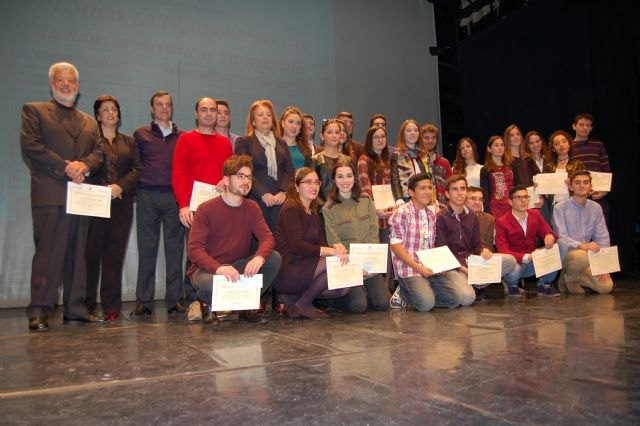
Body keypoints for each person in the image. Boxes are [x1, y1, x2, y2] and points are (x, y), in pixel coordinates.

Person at [20, 62, 104, 331]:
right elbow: (32, 146)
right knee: (49, 255)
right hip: (52, 194)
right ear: (52, 84)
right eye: (60, 80)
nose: (66, 84)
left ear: (78, 87)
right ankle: (39, 311)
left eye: (71, 81)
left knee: (78, 255)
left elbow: (99, 153)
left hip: (81, 196)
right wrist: (67, 166)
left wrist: (85, 165)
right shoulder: (34, 111)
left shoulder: (90, 122)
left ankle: (76, 309)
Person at [188, 155, 282, 325]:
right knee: (211, 285)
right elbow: (194, 250)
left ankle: (245, 306)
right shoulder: (206, 209)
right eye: (240, 176)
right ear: (225, 180)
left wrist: (259, 257)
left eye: (248, 177)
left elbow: (267, 237)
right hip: (208, 270)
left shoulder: (252, 207)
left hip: (237, 267)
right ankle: (207, 305)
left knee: (273, 258)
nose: (246, 181)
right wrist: (219, 269)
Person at [273, 167, 367, 319]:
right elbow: (297, 246)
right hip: (289, 271)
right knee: (333, 261)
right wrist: (331, 252)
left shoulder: (314, 212)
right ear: (296, 187)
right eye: (308, 182)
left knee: (343, 287)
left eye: (317, 182)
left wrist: (336, 248)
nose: (314, 186)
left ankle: (296, 300)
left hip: (308, 267)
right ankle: (303, 303)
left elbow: (322, 243)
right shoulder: (291, 208)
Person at [85, 95, 142, 321]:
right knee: (89, 256)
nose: (110, 113)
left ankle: (111, 306)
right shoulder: (89, 140)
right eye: (105, 110)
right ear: (97, 115)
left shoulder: (129, 142)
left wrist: (121, 186)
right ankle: (86, 305)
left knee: (114, 255)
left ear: (118, 115)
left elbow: (138, 169)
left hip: (120, 204)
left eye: (114, 110)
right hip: (93, 203)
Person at [172, 97, 233, 306]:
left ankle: (218, 300)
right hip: (194, 209)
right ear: (196, 114)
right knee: (195, 255)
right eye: (204, 110)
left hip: (221, 208)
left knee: (219, 252)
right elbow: (178, 173)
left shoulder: (225, 143)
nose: (209, 114)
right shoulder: (186, 140)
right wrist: (183, 205)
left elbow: (230, 173)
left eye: (213, 110)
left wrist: (225, 181)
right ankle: (194, 303)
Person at [388, 173, 475, 312]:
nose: (427, 191)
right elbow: (395, 247)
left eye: (430, 187)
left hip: (430, 267)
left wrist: (441, 265)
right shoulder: (402, 212)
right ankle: (403, 293)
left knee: (455, 299)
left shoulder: (431, 214)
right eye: (422, 188)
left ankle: (421, 291)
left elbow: (433, 245)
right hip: (410, 268)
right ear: (411, 192)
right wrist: (419, 267)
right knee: (425, 305)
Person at [133, 90, 185, 316]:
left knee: (175, 249)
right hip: (147, 196)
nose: (164, 108)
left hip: (173, 197)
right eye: (159, 105)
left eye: (168, 105)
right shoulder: (140, 134)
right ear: (152, 109)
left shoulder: (182, 136)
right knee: (147, 249)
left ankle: (174, 300)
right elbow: (134, 166)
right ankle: (144, 300)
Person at [323, 159, 389, 311]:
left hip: (368, 263)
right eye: (340, 177)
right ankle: (329, 301)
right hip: (347, 263)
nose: (345, 181)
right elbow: (334, 242)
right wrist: (355, 266)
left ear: (355, 178)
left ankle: (363, 292)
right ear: (334, 180)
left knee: (383, 304)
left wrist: (370, 263)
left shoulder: (366, 200)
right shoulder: (329, 208)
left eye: (349, 176)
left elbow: (374, 232)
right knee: (358, 306)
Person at [435, 175, 516, 299]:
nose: (460, 193)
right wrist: (465, 270)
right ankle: (476, 282)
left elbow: (477, 244)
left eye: (463, 189)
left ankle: (478, 282)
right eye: (455, 189)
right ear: (447, 194)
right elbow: (442, 252)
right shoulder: (441, 217)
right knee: (467, 298)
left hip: (470, 261)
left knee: (509, 261)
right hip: (454, 266)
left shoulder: (472, 216)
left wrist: (484, 250)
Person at [235, 100, 293, 231]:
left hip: (280, 201)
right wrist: (263, 194)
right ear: (253, 121)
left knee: (279, 243)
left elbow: (289, 170)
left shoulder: (281, 143)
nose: (265, 117)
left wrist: (283, 192)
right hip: (256, 200)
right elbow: (244, 172)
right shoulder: (244, 142)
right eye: (260, 114)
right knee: (258, 244)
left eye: (268, 114)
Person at [553, 170, 614, 294]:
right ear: (570, 186)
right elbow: (561, 236)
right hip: (567, 254)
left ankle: (568, 279)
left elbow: (603, 238)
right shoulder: (560, 207)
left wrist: (604, 266)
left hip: (586, 256)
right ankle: (569, 278)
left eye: (586, 182)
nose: (582, 186)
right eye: (577, 182)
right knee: (582, 256)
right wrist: (582, 246)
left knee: (606, 287)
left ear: (590, 186)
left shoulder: (596, 208)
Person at [496, 185, 560, 297]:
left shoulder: (535, 214)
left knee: (561, 245)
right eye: (518, 197)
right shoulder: (502, 221)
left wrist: (549, 235)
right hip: (516, 263)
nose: (523, 200)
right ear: (510, 202)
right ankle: (512, 285)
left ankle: (544, 284)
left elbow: (549, 232)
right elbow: (503, 250)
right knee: (512, 268)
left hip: (534, 262)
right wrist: (526, 257)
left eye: (526, 197)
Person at [357, 126, 395, 291]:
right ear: (369, 141)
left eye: (383, 136)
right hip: (373, 213)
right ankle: (374, 287)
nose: (380, 140)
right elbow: (365, 187)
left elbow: (395, 187)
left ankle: (387, 286)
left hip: (390, 212)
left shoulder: (390, 161)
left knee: (389, 250)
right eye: (376, 137)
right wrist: (375, 208)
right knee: (375, 249)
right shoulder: (364, 160)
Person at [571, 113, 611, 223]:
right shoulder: (568, 147)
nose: (585, 128)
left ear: (591, 128)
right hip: (577, 196)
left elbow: (606, 169)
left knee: (601, 229)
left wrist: (604, 190)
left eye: (588, 125)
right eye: (581, 124)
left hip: (597, 195)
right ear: (574, 126)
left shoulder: (598, 145)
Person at [390, 119, 431, 204]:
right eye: (409, 130)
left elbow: (431, 178)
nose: (413, 133)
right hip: (407, 199)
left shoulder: (424, 155)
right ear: (403, 134)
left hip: (426, 197)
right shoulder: (397, 155)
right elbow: (395, 180)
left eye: (416, 130)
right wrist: (399, 199)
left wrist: (434, 198)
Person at [312, 119, 352, 206]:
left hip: (346, 208)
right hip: (323, 211)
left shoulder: (348, 160)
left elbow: (354, 186)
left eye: (337, 132)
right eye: (330, 132)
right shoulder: (315, 160)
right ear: (322, 136)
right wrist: (325, 207)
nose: (334, 135)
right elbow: (311, 188)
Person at [547, 130, 585, 209]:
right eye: (557, 144)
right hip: (555, 206)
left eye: (564, 142)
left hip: (574, 204)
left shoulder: (578, 164)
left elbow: (584, 184)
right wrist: (540, 187)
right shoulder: (549, 166)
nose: (561, 145)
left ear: (569, 144)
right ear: (553, 149)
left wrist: (572, 183)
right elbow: (546, 191)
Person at [480, 135, 513, 218]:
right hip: (495, 209)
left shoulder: (511, 167)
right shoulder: (485, 169)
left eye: (502, 145)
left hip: (511, 206)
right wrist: (488, 211)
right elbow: (485, 191)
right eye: (496, 145)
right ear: (489, 149)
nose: (500, 148)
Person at [523, 131, 552, 224]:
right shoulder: (525, 163)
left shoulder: (550, 160)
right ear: (527, 145)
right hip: (536, 202)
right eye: (531, 143)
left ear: (542, 142)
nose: (535, 145)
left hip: (551, 201)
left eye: (537, 141)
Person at [421, 123, 452, 205]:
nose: (430, 141)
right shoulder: (417, 161)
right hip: (421, 205)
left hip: (441, 206)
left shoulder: (444, 163)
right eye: (426, 138)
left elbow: (450, 186)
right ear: (421, 140)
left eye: (433, 138)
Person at [280, 106, 312, 170]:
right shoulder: (273, 146)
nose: (294, 126)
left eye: (298, 123)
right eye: (291, 122)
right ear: (283, 123)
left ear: (300, 127)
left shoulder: (306, 149)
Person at [466, 186, 496, 250]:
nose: (477, 202)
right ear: (464, 200)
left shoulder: (489, 219)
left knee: (508, 259)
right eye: (473, 199)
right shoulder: (457, 216)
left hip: (483, 255)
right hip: (462, 255)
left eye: (480, 199)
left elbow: (489, 245)